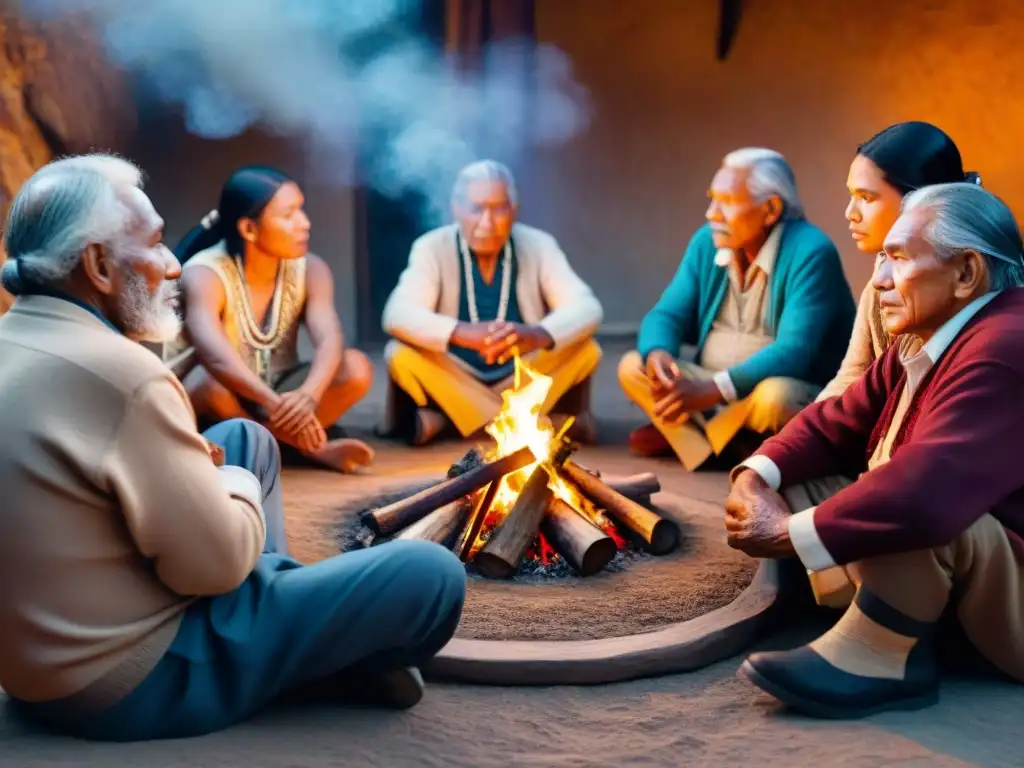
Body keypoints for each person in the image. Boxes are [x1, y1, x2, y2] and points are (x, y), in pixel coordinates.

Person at [0, 155, 466, 741]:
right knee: (431, 573)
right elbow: (214, 569)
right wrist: (232, 485)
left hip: (35, 671)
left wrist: (211, 469)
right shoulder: (125, 374)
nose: (172, 265)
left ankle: (292, 624)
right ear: (96, 264)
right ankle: (309, 656)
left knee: (245, 437)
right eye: (158, 243)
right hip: (137, 679)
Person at [725, 182, 1024, 719]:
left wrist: (786, 533)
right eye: (881, 257)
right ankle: (877, 608)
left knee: (910, 506)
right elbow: (837, 419)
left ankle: (885, 654)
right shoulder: (930, 332)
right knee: (798, 483)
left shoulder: (1004, 346)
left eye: (899, 258)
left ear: (966, 273)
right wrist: (755, 477)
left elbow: (925, 492)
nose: (879, 280)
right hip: (959, 565)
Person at [787, 122, 982, 607]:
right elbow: (853, 375)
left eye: (866, 198)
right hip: (885, 451)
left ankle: (876, 604)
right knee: (785, 466)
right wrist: (803, 440)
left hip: (946, 480)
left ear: (921, 202)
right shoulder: (885, 270)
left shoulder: (971, 279)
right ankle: (846, 588)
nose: (850, 213)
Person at [618, 148, 855, 470]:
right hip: (711, 388)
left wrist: (715, 390)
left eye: (726, 202)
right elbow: (666, 315)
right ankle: (733, 446)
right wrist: (659, 355)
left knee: (777, 398)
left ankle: (695, 437)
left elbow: (794, 352)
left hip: (767, 391)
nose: (712, 213)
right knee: (634, 365)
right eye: (712, 199)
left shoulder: (812, 251)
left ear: (770, 209)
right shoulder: (708, 241)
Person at [380, 160, 603, 446]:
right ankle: (539, 426)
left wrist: (537, 335)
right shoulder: (431, 247)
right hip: (457, 377)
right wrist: (460, 333)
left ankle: (460, 422)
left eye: (499, 208)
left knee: (586, 350)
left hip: (523, 376)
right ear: (456, 208)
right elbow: (397, 314)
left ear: (515, 209)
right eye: (477, 209)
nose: (488, 222)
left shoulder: (538, 244)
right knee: (400, 353)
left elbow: (586, 306)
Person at [168, 165, 374, 473]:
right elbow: (216, 360)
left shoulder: (311, 268)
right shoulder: (205, 274)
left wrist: (308, 395)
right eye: (289, 215)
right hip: (222, 402)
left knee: (355, 368)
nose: (304, 223)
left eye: (301, 210)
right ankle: (312, 449)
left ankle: (266, 445)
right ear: (249, 229)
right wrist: (276, 405)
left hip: (277, 392)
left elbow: (330, 336)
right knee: (211, 386)